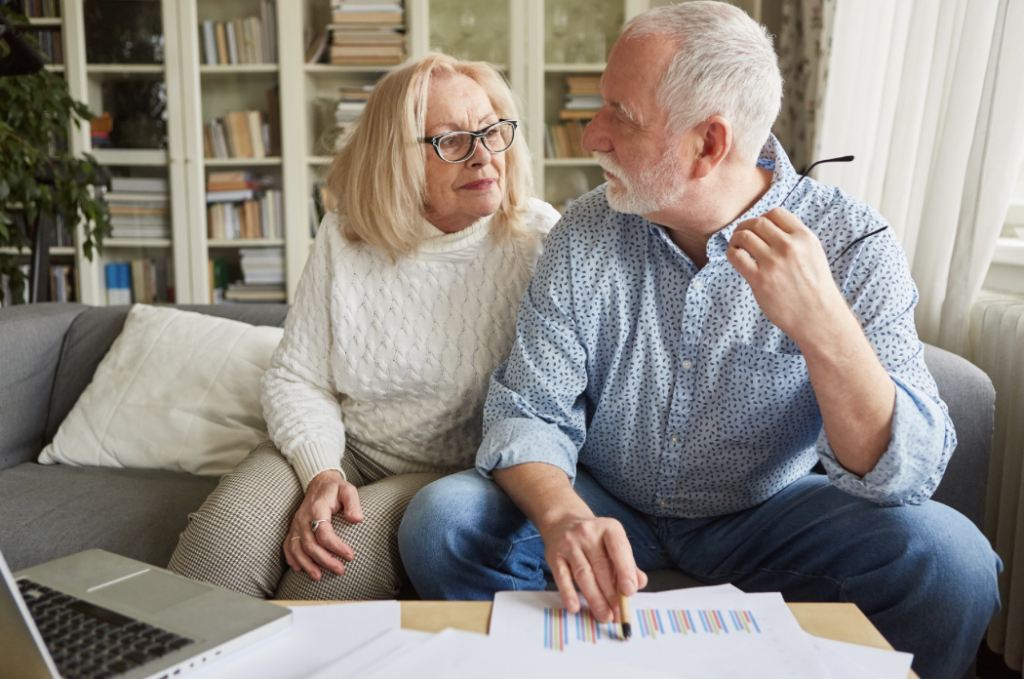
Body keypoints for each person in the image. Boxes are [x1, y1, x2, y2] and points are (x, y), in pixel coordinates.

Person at [397, 4, 1000, 678]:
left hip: (772, 511)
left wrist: (825, 327)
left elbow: (904, 476)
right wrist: (564, 515)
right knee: (443, 521)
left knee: (954, 563)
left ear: (708, 144)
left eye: (619, 116)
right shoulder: (584, 233)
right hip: (609, 500)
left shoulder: (854, 243)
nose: (590, 134)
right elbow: (529, 410)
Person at [168, 52, 560, 601]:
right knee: (219, 548)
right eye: (450, 141)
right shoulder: (346, 233)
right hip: (347, 448)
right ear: (396, 158)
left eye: (492, 131)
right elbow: (298, 377)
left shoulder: (540, 240)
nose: (482, 156)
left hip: (450, 475)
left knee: (322, 576)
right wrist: (321, 473)